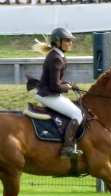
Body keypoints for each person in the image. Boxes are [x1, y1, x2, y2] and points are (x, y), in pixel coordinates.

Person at [29, 27, 83, 160]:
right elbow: (55, 86)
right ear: (58, 42)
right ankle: (67, 148)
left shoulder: (57, 55)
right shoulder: (56, 58)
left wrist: (70, 83)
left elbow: (57, 80)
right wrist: (68, 87)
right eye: (67, 40)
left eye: (70, 41)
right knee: (77, 114)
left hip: (50, 93)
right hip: (48, 95)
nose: (70, 43)